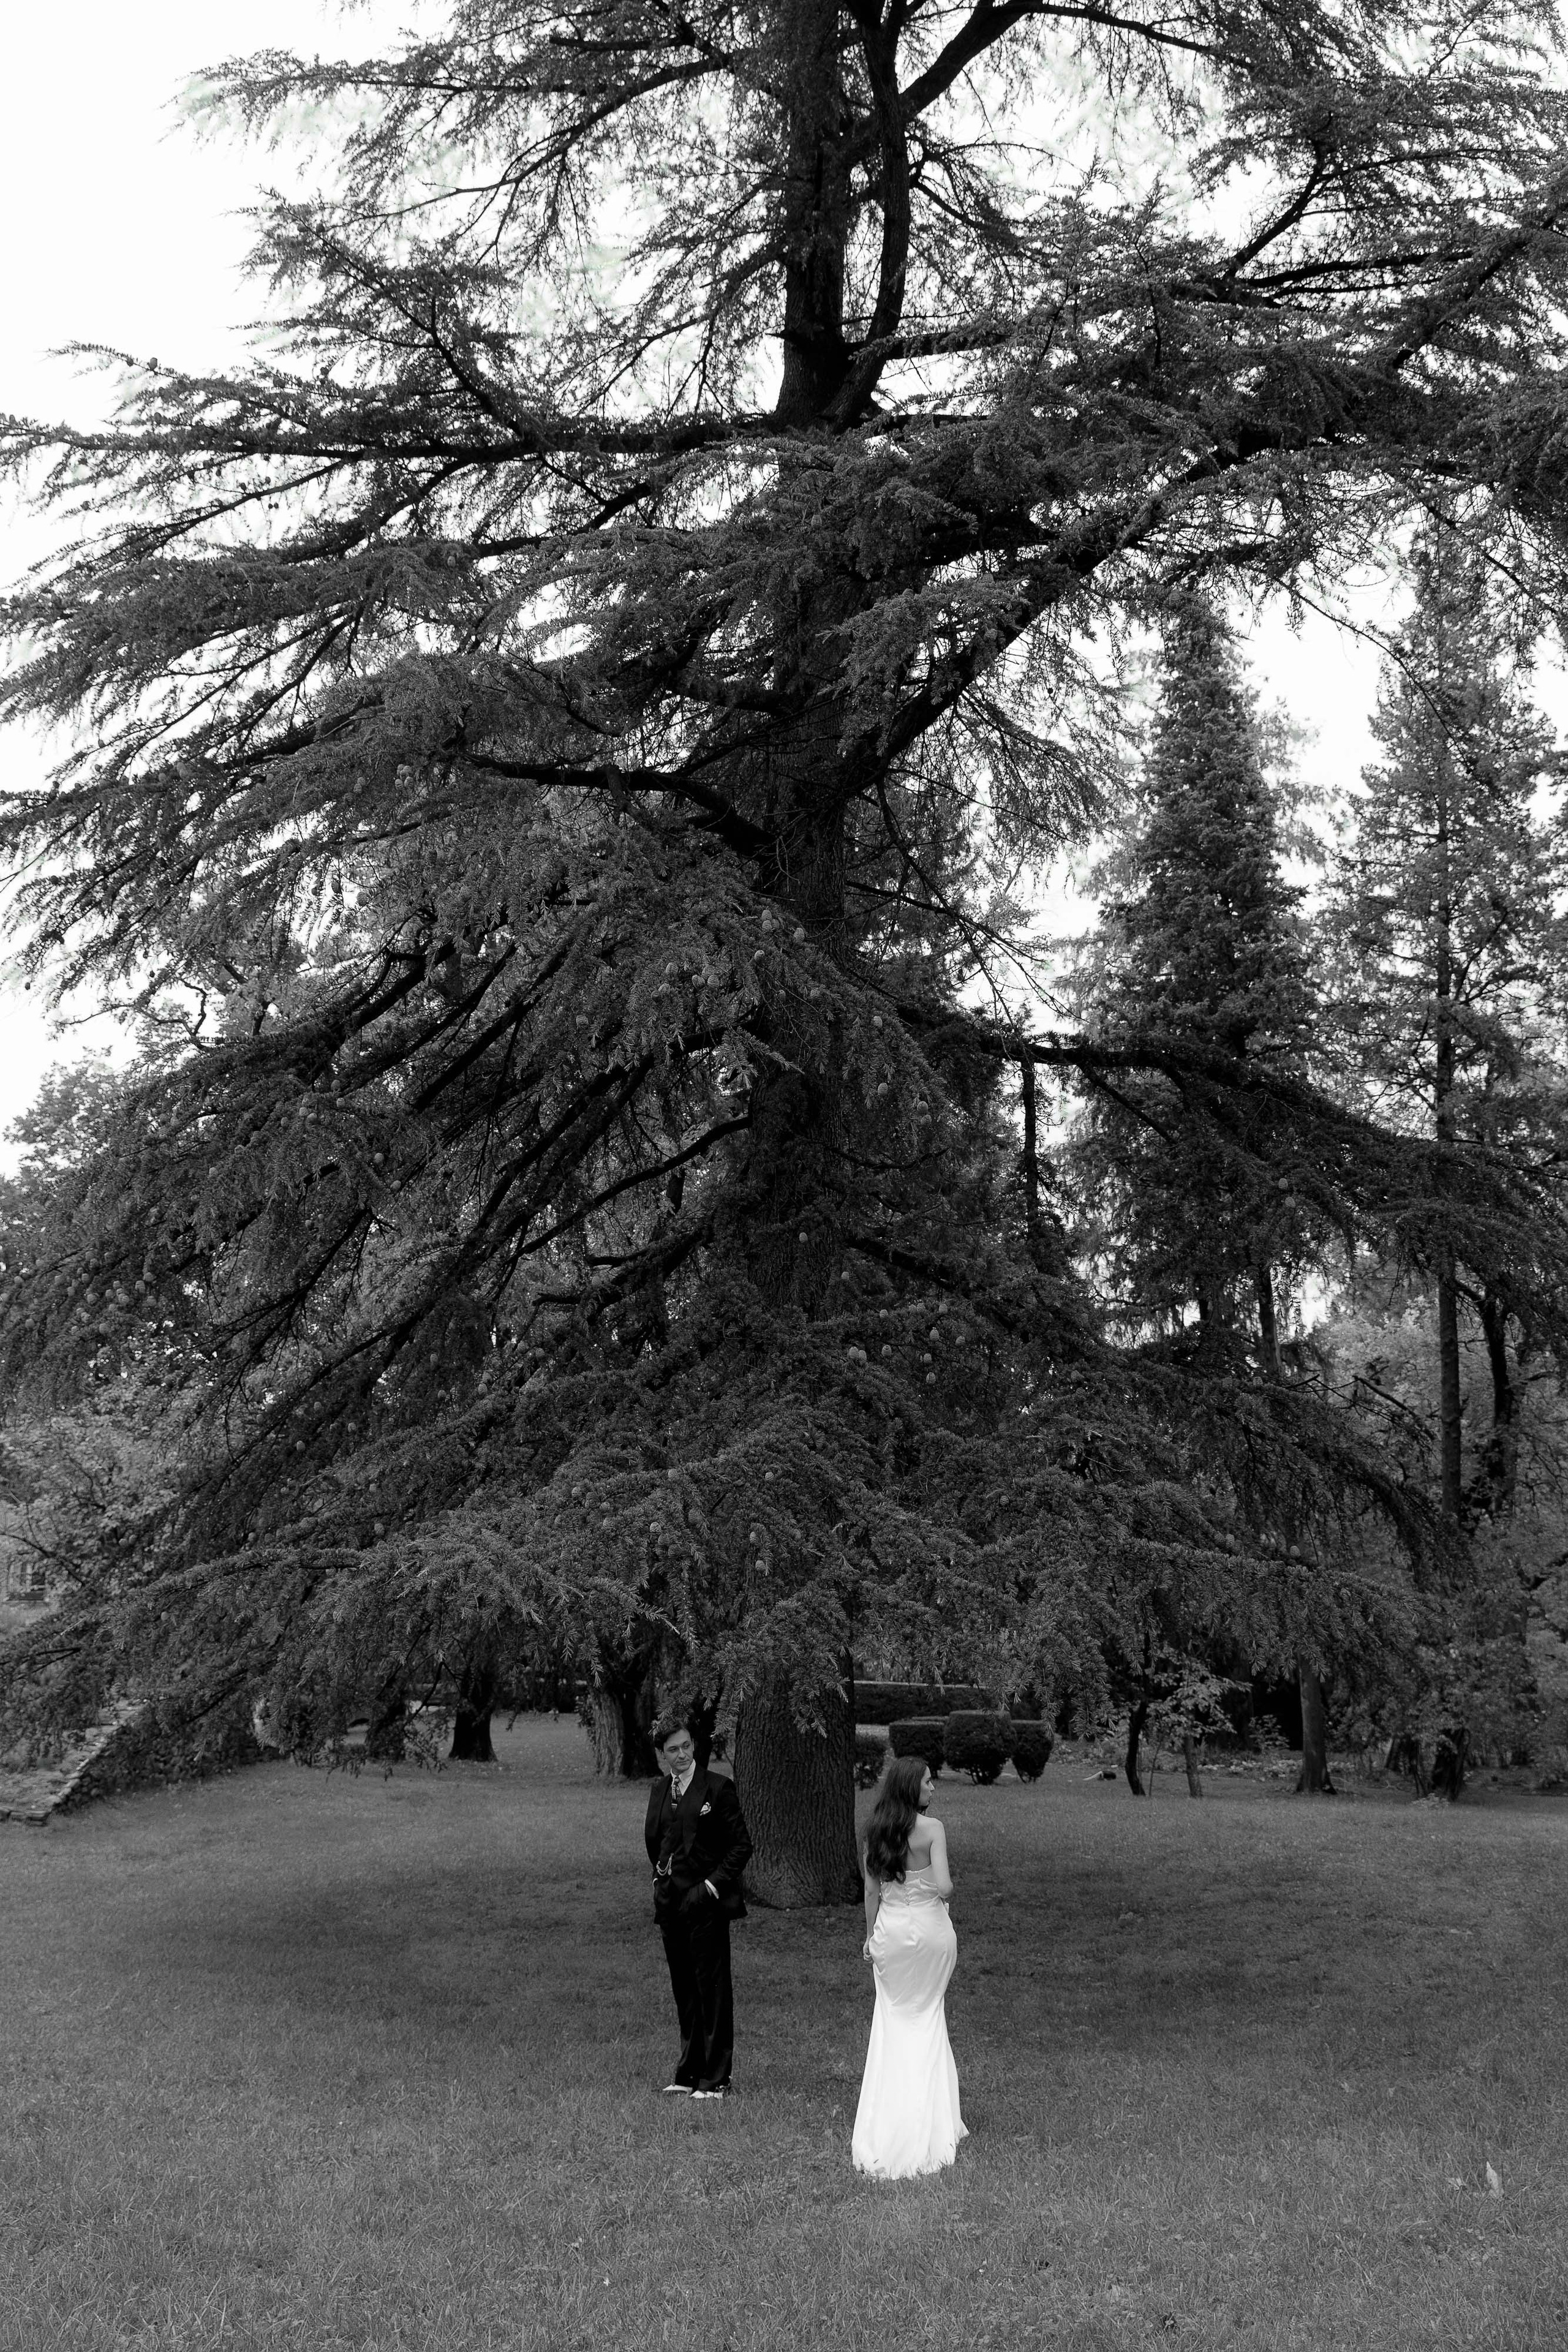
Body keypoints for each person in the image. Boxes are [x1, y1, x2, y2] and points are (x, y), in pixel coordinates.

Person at [852, 1752, 967, 2177]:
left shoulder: (874, 1831)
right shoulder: (933, 1829)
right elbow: (944, 1887)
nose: (934, 1788)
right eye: (928, 1782)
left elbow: (871, 1892)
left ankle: (894, 2117)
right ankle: (936, 2121)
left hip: (893, 1935)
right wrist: (943, 1884)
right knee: (929, 2017)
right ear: (910, 1788)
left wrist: (870, 1938)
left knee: (895, 2020)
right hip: (933, 1935)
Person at [644, 1715, 753, 2099]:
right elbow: (655, 1841)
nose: (682, 1755)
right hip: (671, 1904)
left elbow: (741, 1846)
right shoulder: (660, 1791)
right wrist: (660, 1883)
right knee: (685, 1990)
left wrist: (710, 1886)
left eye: (687, 1746)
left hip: (706, 1902)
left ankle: (716, 2078)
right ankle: (688, 2073)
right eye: (673, 1749)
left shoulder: (719, 1789)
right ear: (662, 1755)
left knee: (712, 1989)